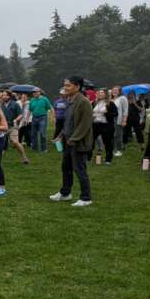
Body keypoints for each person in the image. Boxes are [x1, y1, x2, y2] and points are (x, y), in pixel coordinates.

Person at [52, 76, 95, 205]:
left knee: (80, 170)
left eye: (68, 85)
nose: (65, 88)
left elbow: (85, 124)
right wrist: (61, 135)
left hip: (78, 143)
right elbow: (68, 122)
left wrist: (74, 139)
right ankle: (65, 193)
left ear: (77, 87)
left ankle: (86, 198)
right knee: (66, 167)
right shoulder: (70, 100)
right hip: (68, 141)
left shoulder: (84, 102)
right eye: (65, 85)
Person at [0, 91, 30, 165]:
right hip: (3, 127)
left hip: (13, 126)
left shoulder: (15, 104)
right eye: (2, 95)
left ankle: (24, 157)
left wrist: (16, 120)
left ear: (9, 96)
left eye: (5, 95)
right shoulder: (1, 105)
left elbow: (20, 115)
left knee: (15, 142)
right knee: (0, 143)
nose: (3, 97)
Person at [91, 89, 117, 165]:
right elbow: (90, 112)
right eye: (99, 92)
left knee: (108, 143)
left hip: (106, 125)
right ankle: (88, 157)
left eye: (102, 92)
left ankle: (108, 159)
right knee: (90, 141)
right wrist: (92, 116)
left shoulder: (110, 103)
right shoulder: (94, 103)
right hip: (95, 125)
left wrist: (107, 113)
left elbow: (115, 114)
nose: (100, 94)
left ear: (105, 94)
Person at [28, 88, 52, 152]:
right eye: (33, 92)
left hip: (42, 117)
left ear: (39, 92)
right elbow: (30, 110)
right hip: (34, 118)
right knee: (33, 134)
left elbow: (49, 108)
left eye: (36, 92)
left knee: (42, 133)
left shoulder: (45, 99)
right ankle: (35, 148)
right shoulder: (32, 100)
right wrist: (27, 119)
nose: (34, 93)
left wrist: (51, 116)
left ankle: (44, 149)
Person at [111, 85, 128, 157]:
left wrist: (124, 120)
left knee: (118, 136)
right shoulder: (111, 99)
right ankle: (113, 150)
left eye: (116, 90)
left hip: (118, 120)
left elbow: (125, 110)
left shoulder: (122, 98)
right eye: (113, 90)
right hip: (110, 121)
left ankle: (119, 150)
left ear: (120, 91)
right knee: (112, 136)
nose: (114, 91)